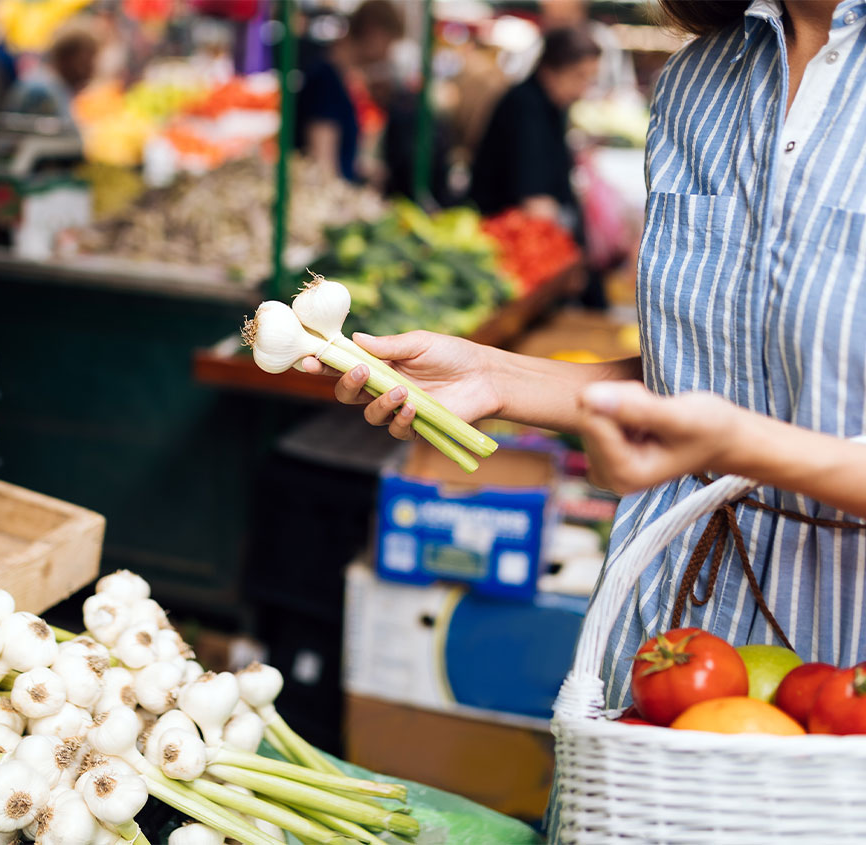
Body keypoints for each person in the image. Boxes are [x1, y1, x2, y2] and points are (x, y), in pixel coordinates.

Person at [304, 0, 866, 776]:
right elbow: (703, 376)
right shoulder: (699, 82)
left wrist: (743, 449)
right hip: (662, 635)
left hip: (845, 668)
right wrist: (498, 375)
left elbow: (737, 418)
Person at [469, 26, 600, 224]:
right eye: (579, 76)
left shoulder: (553, 105)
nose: (583, 90)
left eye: (589, 79)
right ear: (549, 71)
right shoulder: (524, 107)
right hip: (503, 227)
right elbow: (535, 203)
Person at [294, 0, 403, 182]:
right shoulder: (325, 81)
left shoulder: (338, 77)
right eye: (388, 44)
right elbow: (323, 165)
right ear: (373, 33)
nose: (387, 54)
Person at [4, 20, 99, 131]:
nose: (92, 68)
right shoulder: (42, 90)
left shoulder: (54, 85)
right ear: (71, 57)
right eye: (89, 60)